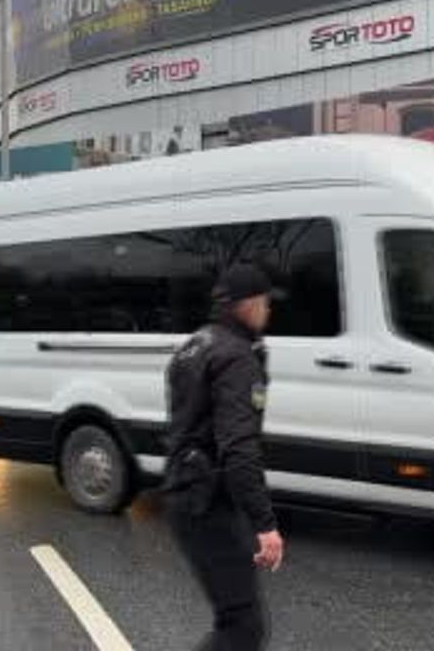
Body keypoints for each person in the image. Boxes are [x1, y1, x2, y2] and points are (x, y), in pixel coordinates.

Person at [164, 264, 282, 651]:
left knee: (238, 618)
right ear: (247, 305)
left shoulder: (195, 344)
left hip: (186, 492)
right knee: (242, 626)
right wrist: (265, 524)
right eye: (265, 302)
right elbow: (238, 447)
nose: (269, 311)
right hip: (206, 502)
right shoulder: (236, 358)